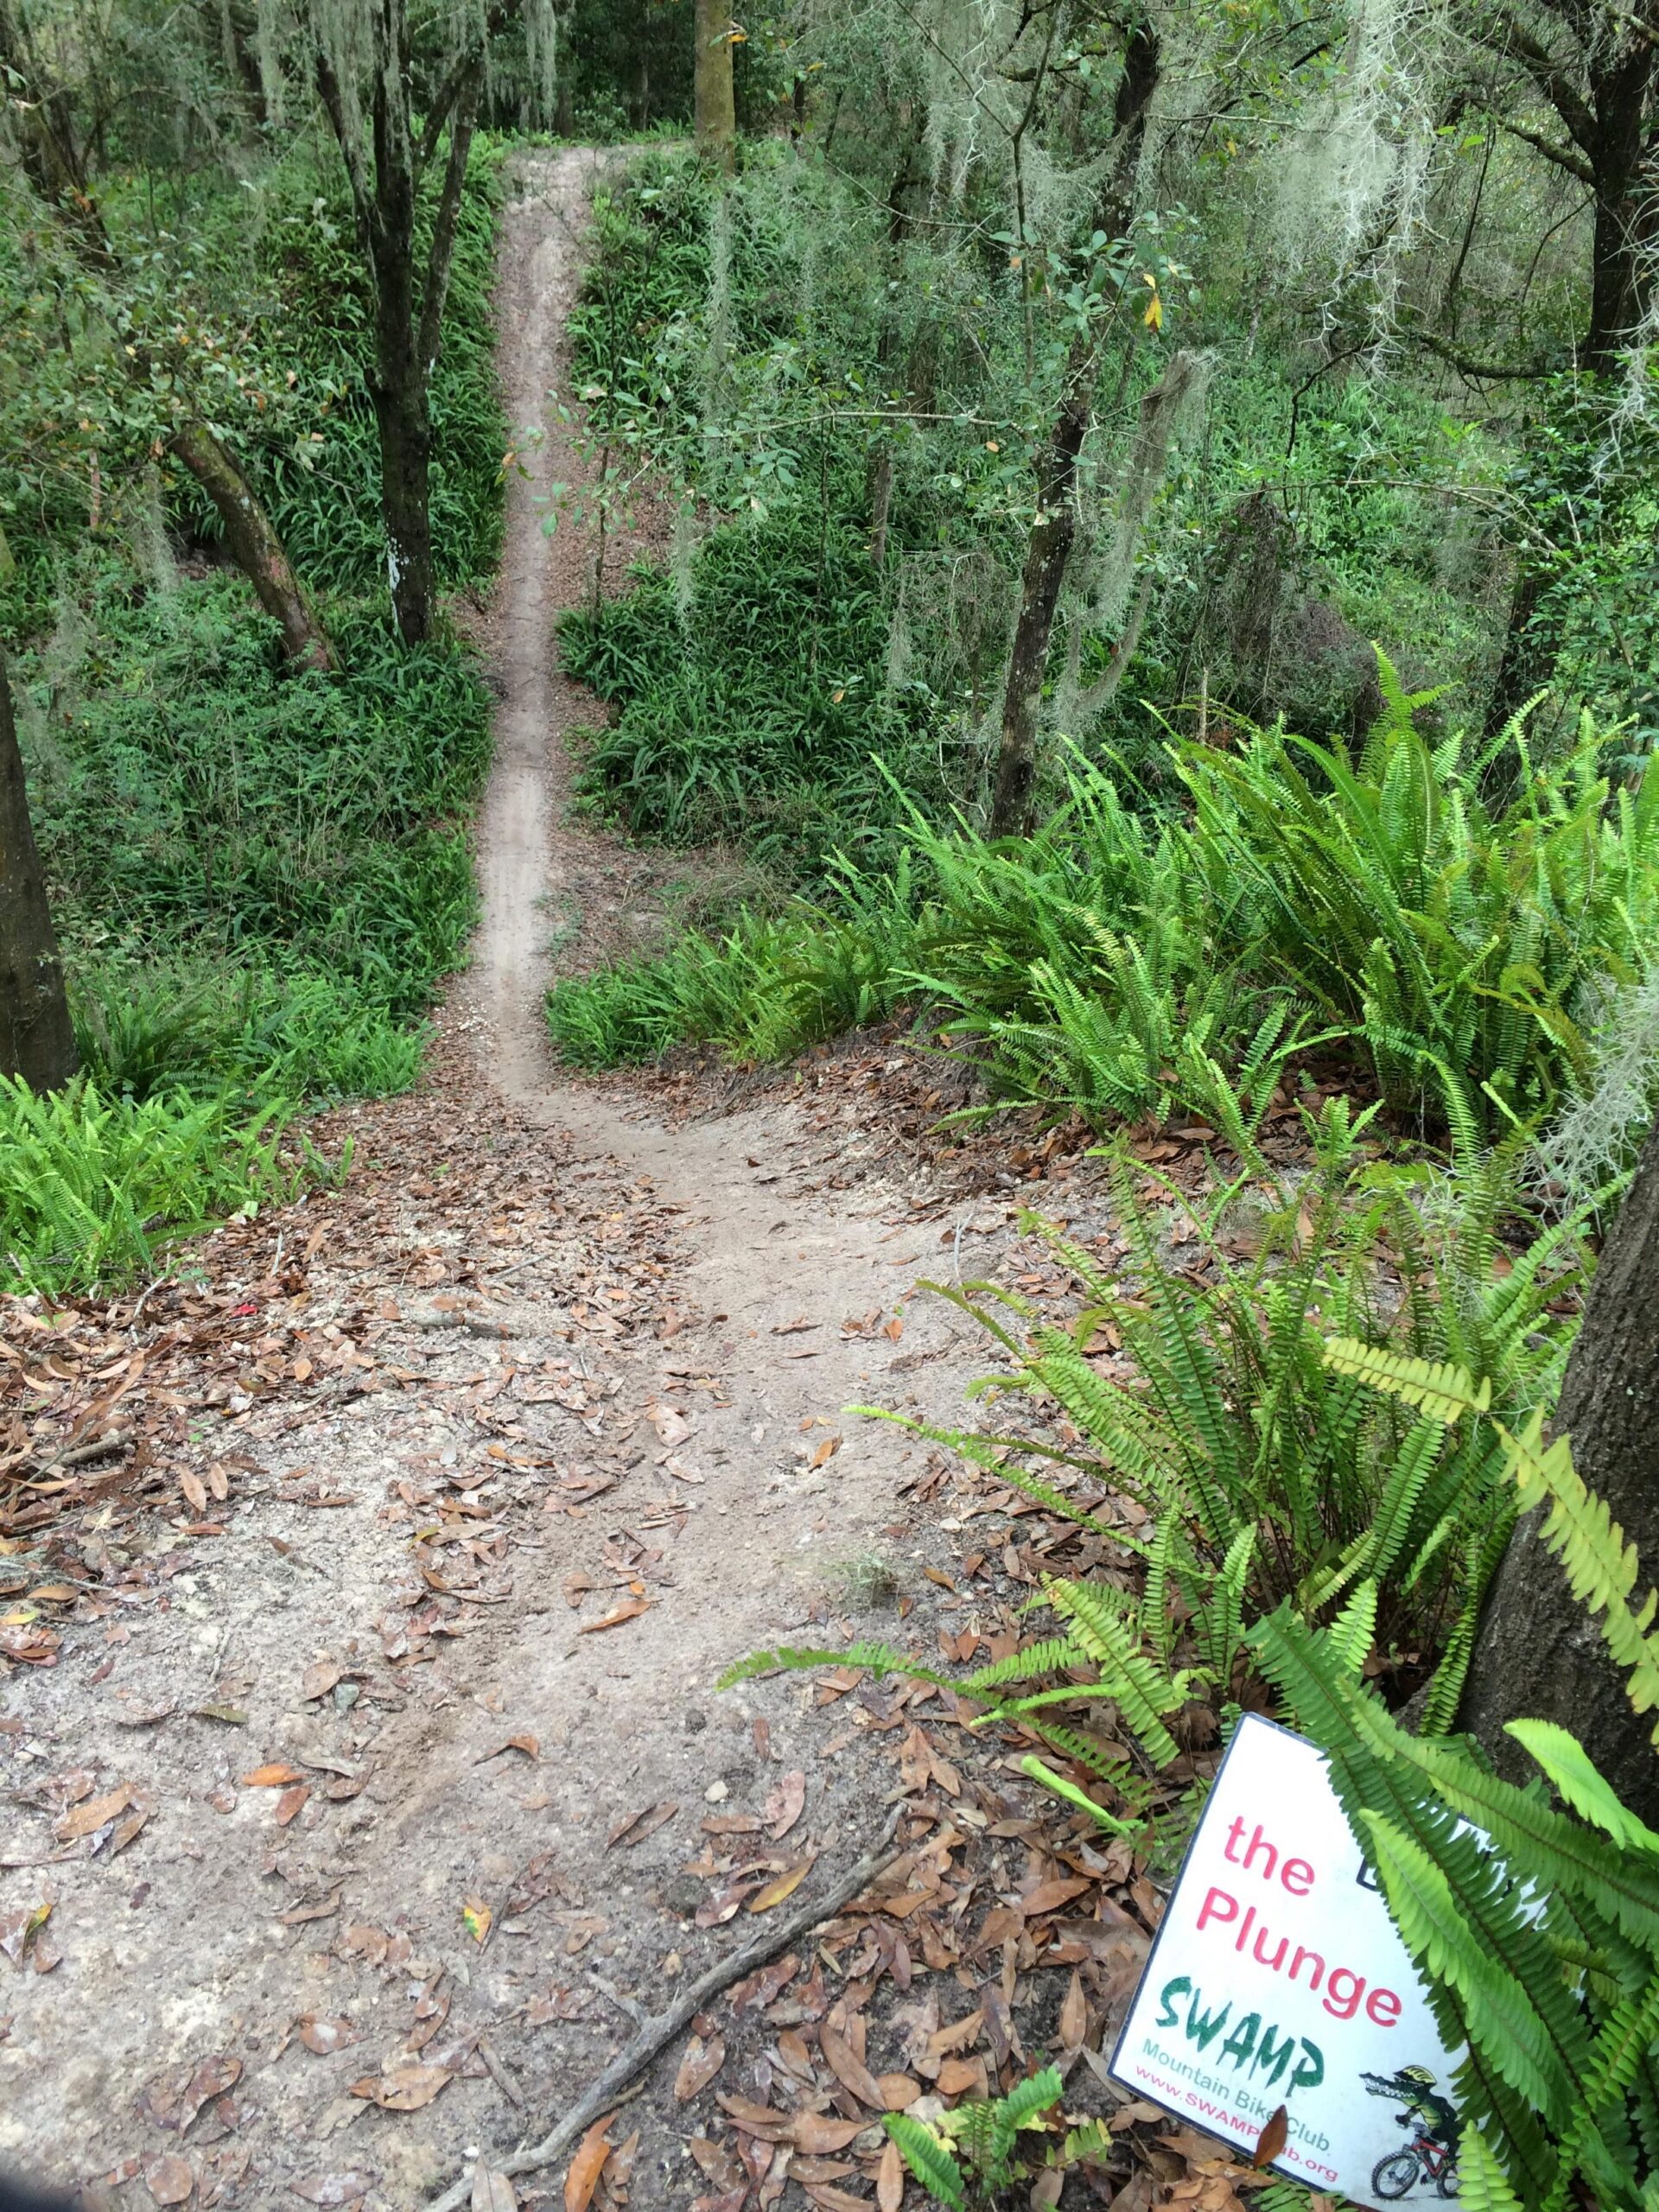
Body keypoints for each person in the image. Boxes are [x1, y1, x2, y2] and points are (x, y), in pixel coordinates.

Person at [1363, 2065, 1460, 2152]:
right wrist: (1406, 2117)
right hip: (1434, 2132)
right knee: (1422, 2148)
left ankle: (1450, 2159)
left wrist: (1443, 2128)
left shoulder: (1439, 2101)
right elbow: (1416, 2108)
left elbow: (1453, 2115)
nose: (1401, 2086)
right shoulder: (1421, 2104)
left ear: (1420, 2087)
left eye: (1406, 2084)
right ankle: (1433, 2172)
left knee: (1452, 2140)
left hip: (1446, 2132)